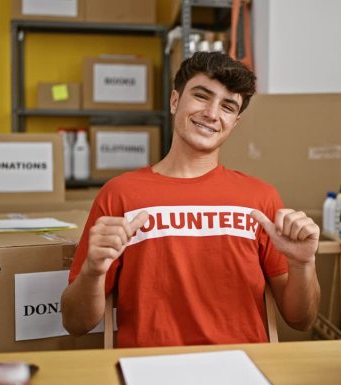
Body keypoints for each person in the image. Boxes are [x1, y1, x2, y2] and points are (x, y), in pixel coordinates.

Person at [61, 51, 321, 348]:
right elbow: (75, 323)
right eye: (201, 96)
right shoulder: (120, 194)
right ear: (175, 101)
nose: (211, 113)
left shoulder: (261, 198)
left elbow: (302, 320)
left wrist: (303, 264)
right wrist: (93, 271)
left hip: (241, 369)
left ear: (234, 123)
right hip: (149, 370)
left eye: (227, 106)